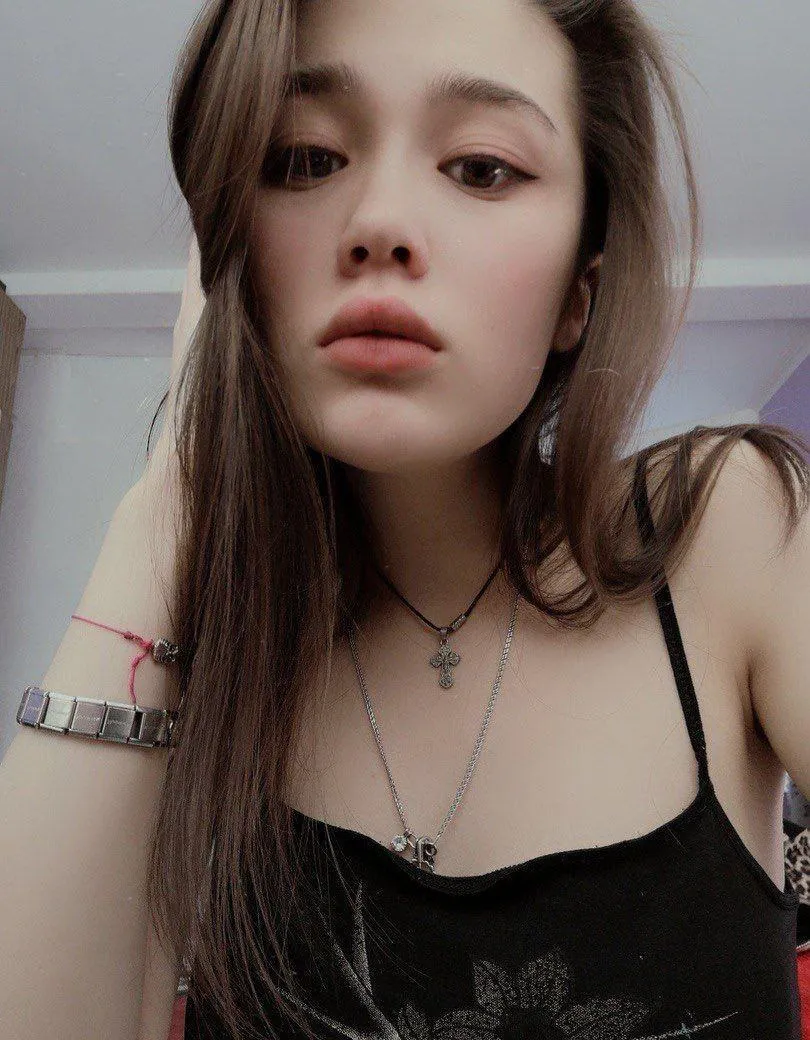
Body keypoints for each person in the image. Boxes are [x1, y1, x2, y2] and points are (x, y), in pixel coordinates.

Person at [2, 1, 809, 1038]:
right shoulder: (202, 652)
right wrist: (176, 485)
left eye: (480, 168)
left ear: (579, 294)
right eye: (303, 160)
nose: (378, 221)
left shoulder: (729, 529)